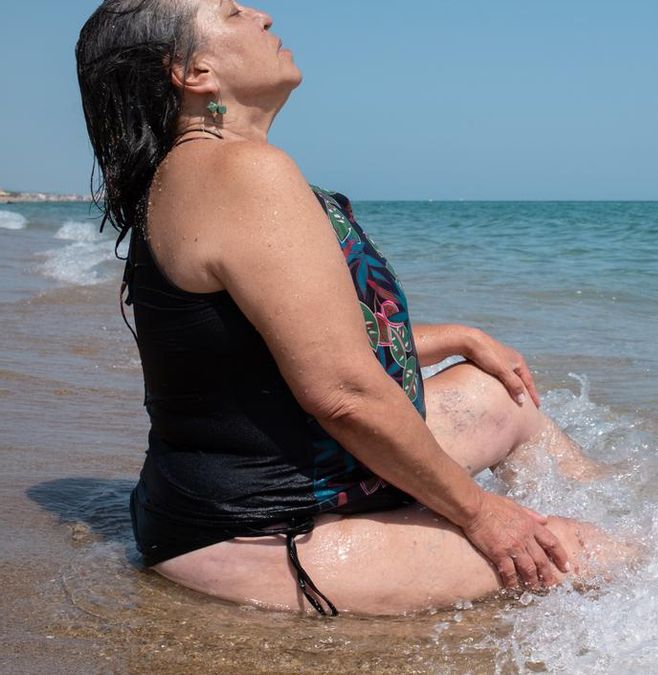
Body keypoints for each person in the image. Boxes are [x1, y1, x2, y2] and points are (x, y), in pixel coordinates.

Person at [75, 0, 623, 616]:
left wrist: (459, 337)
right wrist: (483, 514)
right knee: (589, 551)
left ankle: (635, 499)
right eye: (231, 13)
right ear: (192, 71)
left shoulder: (210, 171)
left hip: (301, 473)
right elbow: (341, 390)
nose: (262, 16)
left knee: (506, 398)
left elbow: (294, 341)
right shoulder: (240, 173)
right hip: (254, 532)